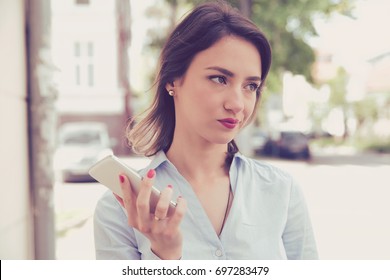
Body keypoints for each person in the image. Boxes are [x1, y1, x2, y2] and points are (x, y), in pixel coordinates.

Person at [94, 0, 318, 260]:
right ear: (173, 80)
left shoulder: (282, 190)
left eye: (250, 86)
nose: (237, 104)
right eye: (219, 79)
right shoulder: (120, 209)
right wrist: (164, 258)